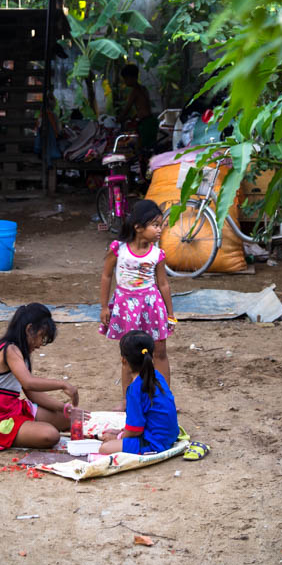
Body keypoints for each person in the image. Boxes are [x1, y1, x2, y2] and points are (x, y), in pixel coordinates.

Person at [0, 302, 78, 451]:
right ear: (29, 330)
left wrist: (64, 408)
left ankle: (28, 428)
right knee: (50, 435)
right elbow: (29, 383)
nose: (40, 345)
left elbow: (32, 394)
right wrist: (63, 385)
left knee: (69, 419)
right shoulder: (9, 350)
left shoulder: (20, 353)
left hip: (12, 409)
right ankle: (19, 432)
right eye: (41, 337)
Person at [99, 198, 176, 391]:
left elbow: (163, 284)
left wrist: (170, 313)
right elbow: (106, 276)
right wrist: (103, 307)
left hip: (152, 306)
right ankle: (126, 400)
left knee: (159, 352)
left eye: (161, 225)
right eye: (155, 225)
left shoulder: (157, 254)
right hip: (125, 307)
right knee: (128, 354)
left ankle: (165, 398)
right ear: (138, 227)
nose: (160, 230)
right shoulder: (118, 249)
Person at [98, 330, 178, 455]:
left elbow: (135, 430)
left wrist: (119, 437)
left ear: (123, 360)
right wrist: (121, 431)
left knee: (105, 448)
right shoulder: (157, 376)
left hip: (155, 442)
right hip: (169, 435)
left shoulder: (135, 389)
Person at [118, 63, 158, 172]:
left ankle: (144, 177)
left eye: (125, 79)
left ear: (131, 78)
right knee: (148, 151)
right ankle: (146, 176)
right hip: (151, 121)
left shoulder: (135, 91)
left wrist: (117, 120)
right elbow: (143, 107)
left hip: (146, 124)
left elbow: (126, 109)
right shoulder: (143, 88)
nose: (125, 82)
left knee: (142, 153)